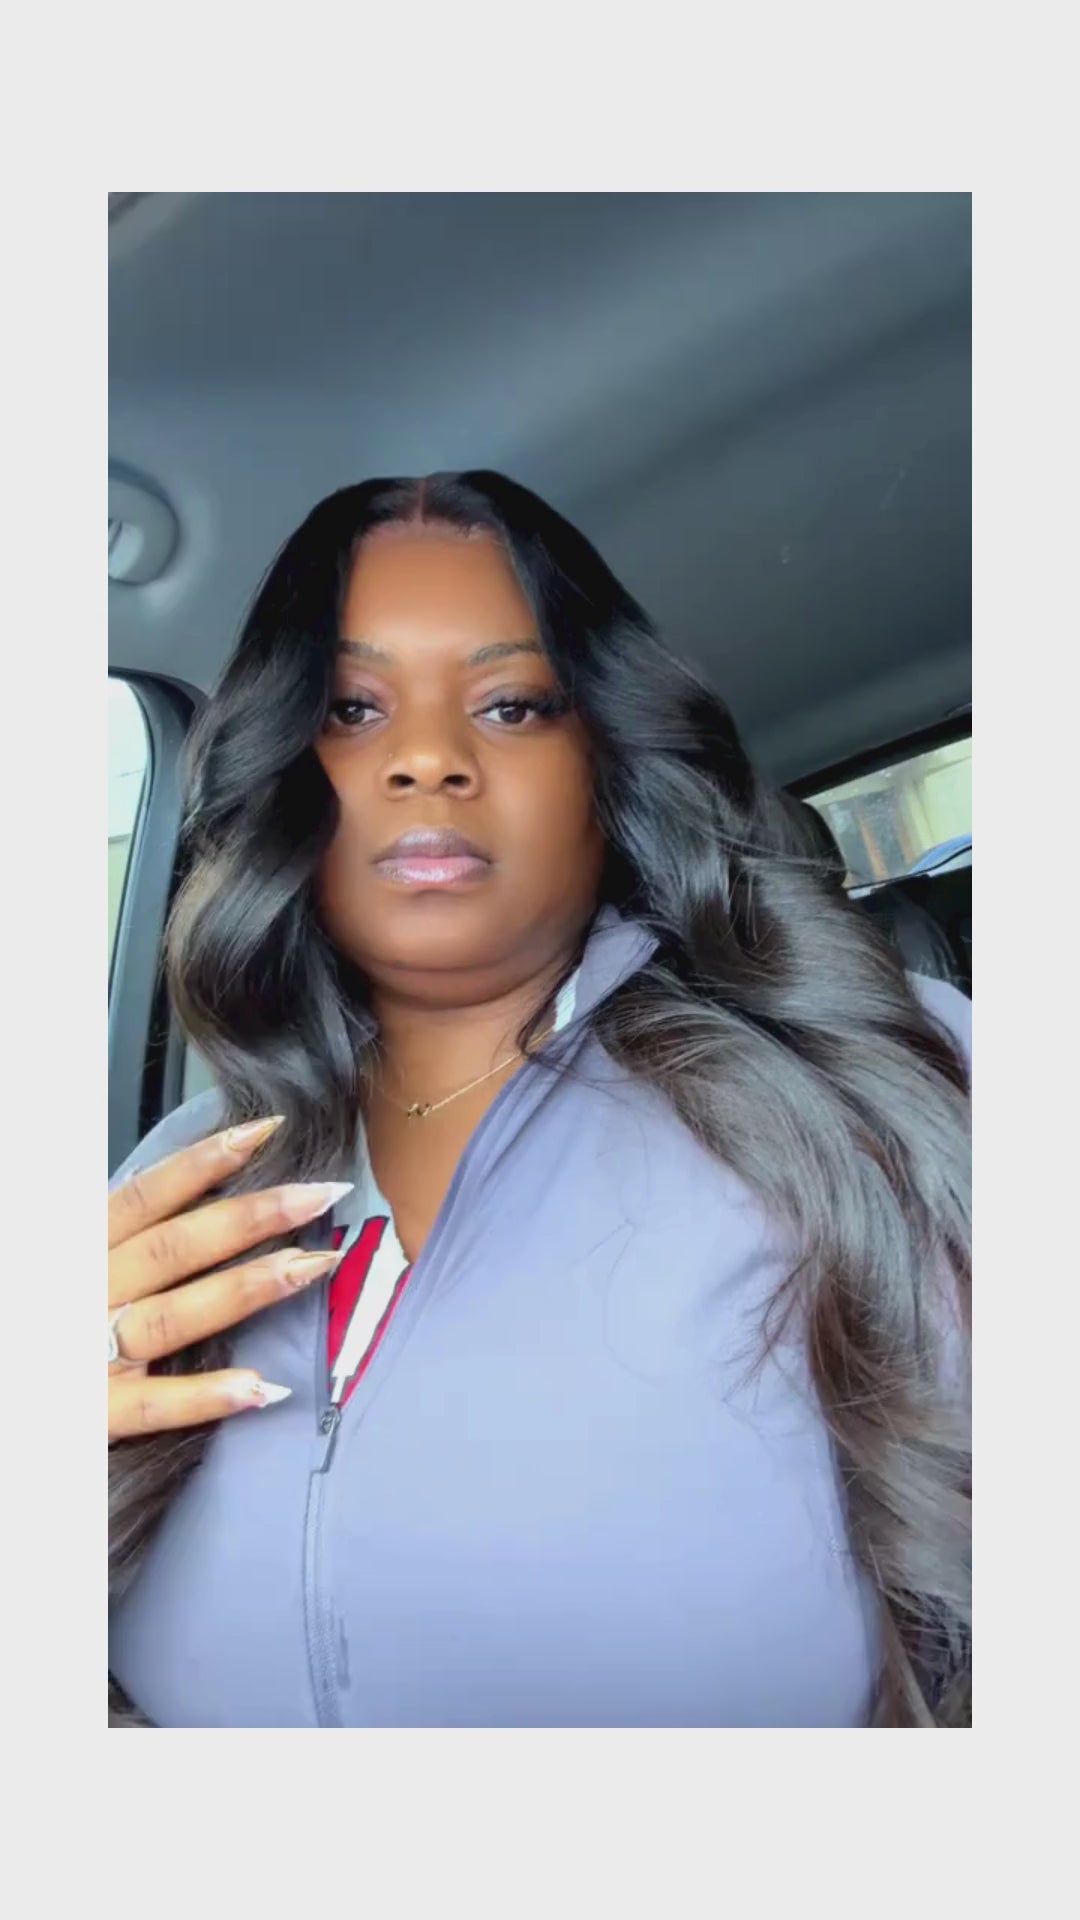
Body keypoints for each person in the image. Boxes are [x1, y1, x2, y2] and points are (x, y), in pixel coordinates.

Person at [108, 471, 971, 1728]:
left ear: (606, 763)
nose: (428, 760)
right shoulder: (181, 1177)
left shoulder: (869, 1083)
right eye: (352, 709)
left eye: (511, 705)